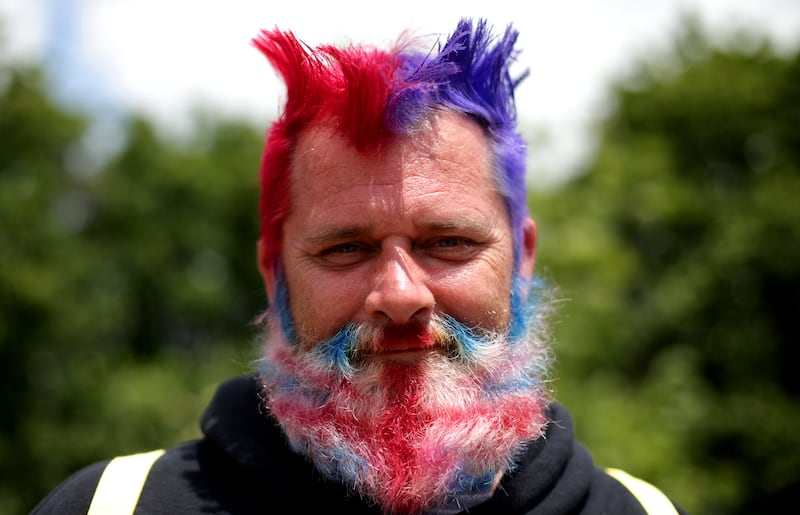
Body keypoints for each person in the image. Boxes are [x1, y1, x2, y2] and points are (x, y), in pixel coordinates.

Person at [32, 18, 686, 515]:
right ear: (275, 274)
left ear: (523, 260)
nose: (400, 295)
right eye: (346, 248)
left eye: (449, 242)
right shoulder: (109, 504)